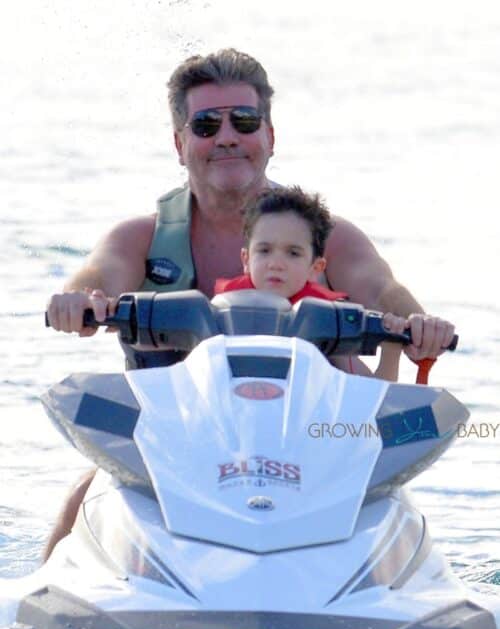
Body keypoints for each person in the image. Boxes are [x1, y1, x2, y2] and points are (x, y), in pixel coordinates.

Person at [43, 48, 455, 560]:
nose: (227, 137)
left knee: (397, 503)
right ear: (179, 143)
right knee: (89, 491)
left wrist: (416, 322)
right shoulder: (141, 238)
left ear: (269, 137)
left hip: (314, 456)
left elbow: (381, 288)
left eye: (243, 120)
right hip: (170, 456)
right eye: (206, 125)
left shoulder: (327, 237)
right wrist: (79, 300)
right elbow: (96, 277)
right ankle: (26, 620)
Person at [215, 185, 406, 381]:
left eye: (293, 253)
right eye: (264, 250)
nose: (276, 264)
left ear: (315, 268)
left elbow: (372, 400)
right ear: (246, 260)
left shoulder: (328, 322)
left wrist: (391, 353)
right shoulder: (220, 314)